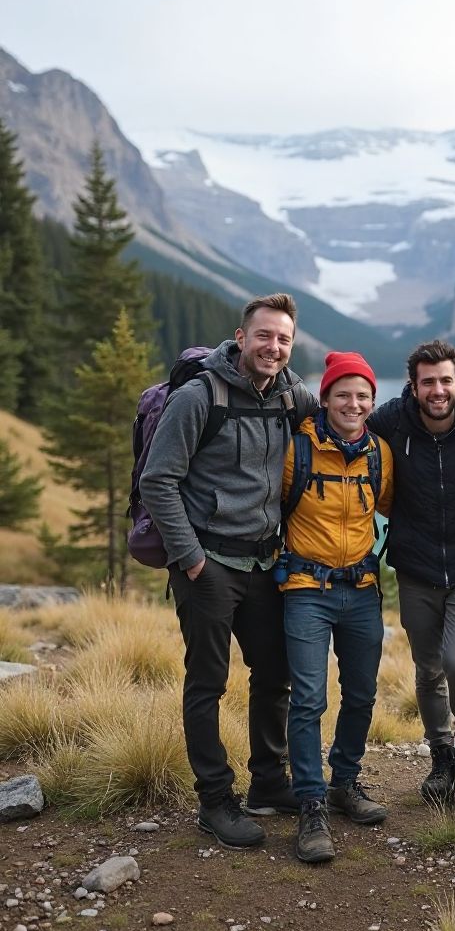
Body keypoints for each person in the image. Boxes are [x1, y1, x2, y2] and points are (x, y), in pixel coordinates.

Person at [139, 293, 318, 849]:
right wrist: (190, 558)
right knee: (208, 682)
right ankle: (215, 800)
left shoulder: (290, 395)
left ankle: (269, 781)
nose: (274, 347)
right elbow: (157, 480)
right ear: (241, 337)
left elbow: (349, 410)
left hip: (265, 561)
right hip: (208, 564)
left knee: (274, 674)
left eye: (284, 340)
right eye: (264, 336)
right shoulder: (200, 396)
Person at [366, 340, 455, 804]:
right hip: (416, 568)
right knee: (427, 669)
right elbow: (339, 421)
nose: (437, 390)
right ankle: (440, 753)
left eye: (445, 381)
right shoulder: (389, 422)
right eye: (428, 382)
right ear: (413, 386)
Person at [277, 351, 394, 863]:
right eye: (342, 394)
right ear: (324, 398)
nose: (353, 403)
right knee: (307, 698)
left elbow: (389, 505)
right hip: (306, 588)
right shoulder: (296, 449)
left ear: (372, 401)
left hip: (363, 588)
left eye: (362, 395)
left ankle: (344, 781)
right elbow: (272, 505)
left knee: (363, 694)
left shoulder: (379, 454)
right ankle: (311, 803)